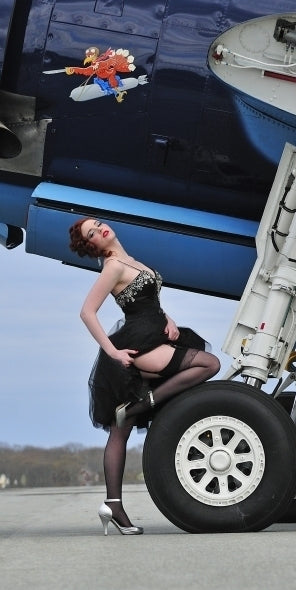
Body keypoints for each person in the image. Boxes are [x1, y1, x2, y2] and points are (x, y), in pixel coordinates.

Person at [69, 217, 221, 535]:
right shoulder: (111, 266)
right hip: (141, 344)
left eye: (98, 224)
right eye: (92, 233)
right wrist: (112, 352)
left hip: (157, 333)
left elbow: (147, 301)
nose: (100, 230)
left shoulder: (131, 260)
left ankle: (113, 505)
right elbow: (87, 312)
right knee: (208, 364)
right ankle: (147, 402)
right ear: (92, 245)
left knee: (119, 431)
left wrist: (169, 319)